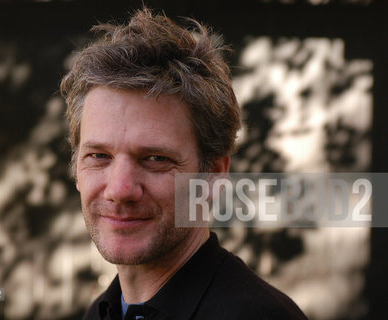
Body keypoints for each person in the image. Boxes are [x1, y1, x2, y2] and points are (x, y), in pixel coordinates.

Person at [60, 7, 308, 320]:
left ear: (213, 174)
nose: (120, 189)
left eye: (155, 159)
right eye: (99, 156)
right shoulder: (101, 312)